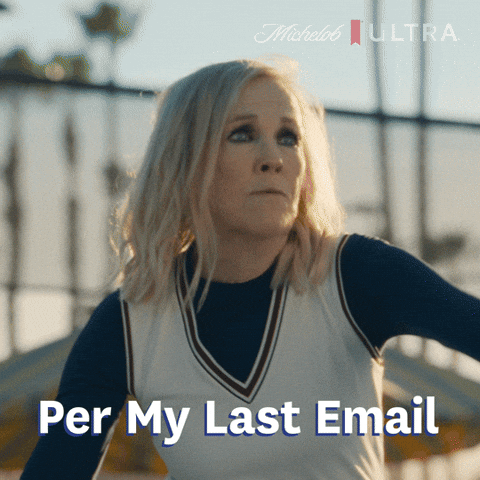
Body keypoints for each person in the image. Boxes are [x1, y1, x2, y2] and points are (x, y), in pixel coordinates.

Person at [21, 58, 480, 480]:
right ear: (185, 162)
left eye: (289, 137)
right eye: (242, 134)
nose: (273, 158)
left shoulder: (355, 274)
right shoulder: (128, 323)